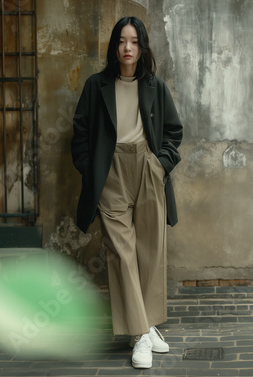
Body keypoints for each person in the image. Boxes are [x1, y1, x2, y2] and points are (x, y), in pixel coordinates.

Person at [71, 17, 183, 369]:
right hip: (111, 173)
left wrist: (160, 164)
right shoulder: (96, 86)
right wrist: (92, 171)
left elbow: (173, 133)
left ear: (143, 46)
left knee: (148, 251)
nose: (128, 48)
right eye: (122, 41)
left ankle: (146, 326)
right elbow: (81, 134)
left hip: (148, 169)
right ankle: (140, 336)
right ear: (114, 47)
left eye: (134, 41)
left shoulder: (155, 86)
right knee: (120, 252)